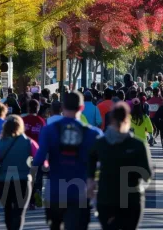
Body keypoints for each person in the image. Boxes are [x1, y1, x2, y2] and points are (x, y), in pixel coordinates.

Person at [33, 92, 103, 230]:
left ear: (63, 107)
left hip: (55, 192)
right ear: (82, 108)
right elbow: (103, 163)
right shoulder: (94, 134)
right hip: (81, 193)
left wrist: (31, 177)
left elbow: (39, 159)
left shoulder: (49, 130)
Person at [87, 102, 153, 230]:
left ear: (111, 120)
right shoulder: (137, 145)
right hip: (131, 199)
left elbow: (90, 158)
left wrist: (90, 179)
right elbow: (146, 174)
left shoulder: (101, 143)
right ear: (128, 119)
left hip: (106, 199)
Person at [0, 115, 40, 230]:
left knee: (8, 211)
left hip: (3, 181)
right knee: (19, 212)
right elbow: (40, 159)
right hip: (23, 180)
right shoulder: (28, 142)